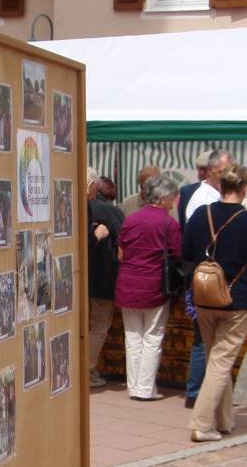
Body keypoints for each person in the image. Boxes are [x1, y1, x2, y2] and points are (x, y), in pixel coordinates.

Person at [181, 163, 247, 442]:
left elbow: (186, 252)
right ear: (244, 189)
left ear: (221, 186)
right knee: (221, 363)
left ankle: (223, 419)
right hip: (237, 300)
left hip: (204, 296)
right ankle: (202, 423)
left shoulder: (201, 215)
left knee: (215, 360)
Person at [115, 175, 182, 401]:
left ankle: (134, 386)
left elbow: (121, 251)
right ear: (163, 198)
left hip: (127, 282)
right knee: (152, 337)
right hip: (154, 285)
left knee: (132, 337)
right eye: (172, 198)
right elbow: (178, 253)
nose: (173, 202)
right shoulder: (168, 223)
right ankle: (144, 388)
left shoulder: (131, 219)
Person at [182, 149, 231, 409]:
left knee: (208, 337)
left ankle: (203, 390)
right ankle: (195, 391)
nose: (229, 176)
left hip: (209, 275)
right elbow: (196, 242)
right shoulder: (203, 199)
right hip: (206, 276)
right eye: (224, 171)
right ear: (211, 171)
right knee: (203, 337)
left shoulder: (212, 196)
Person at [86, 169, 124, 388]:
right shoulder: (110, 211)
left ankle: (86, 368)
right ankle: (86, 370)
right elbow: (124, 242)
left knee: (84, 325)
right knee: (99, 325)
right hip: (104, 277)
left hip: (81, 279)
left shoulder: (77, 205)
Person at [177, 150, 213, 231]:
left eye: (204, 169)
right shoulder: (187, 191)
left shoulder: (224, 192)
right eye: (198, 169)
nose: (200, 173)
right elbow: (181, 222)